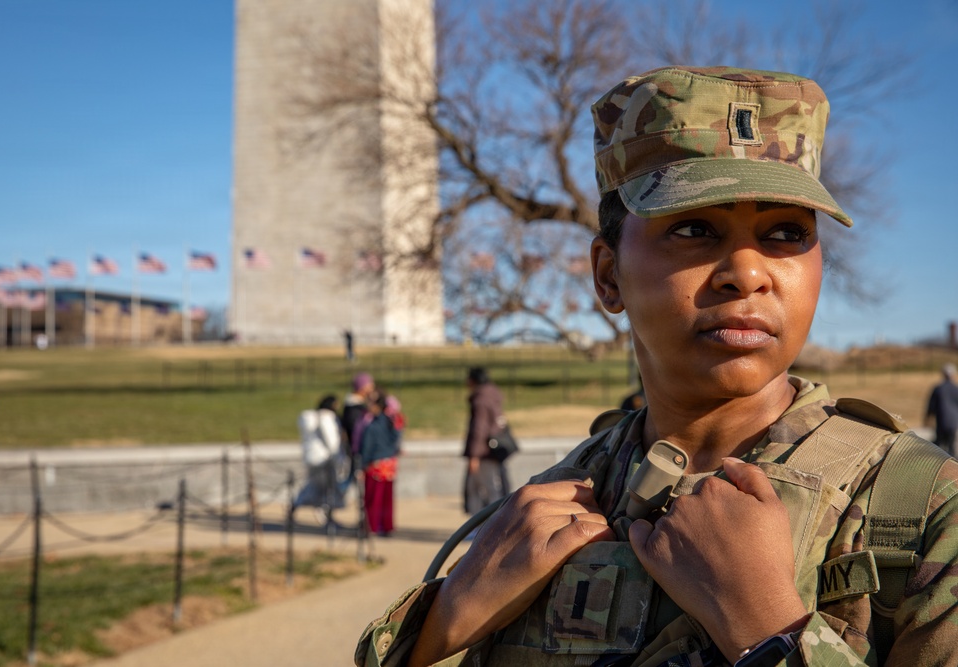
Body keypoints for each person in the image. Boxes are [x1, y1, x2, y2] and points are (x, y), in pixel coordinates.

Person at [356, 67, 958, 666]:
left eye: (784, 232)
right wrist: (437, 628)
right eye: (693, 229)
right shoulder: (552, 504)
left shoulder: (921, 510)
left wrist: (769, 625)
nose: (747, 273)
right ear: (607, 275)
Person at [462, 366, 509, 514]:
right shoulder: (492, 395)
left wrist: (474, 455)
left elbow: (479, 429)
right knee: (493, 487)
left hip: (483, 452)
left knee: (478, 488)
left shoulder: (481, 399)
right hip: (493, 449)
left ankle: (478, 527)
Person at [293, 394, 344, 527]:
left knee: (313, 485)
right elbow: (331, 440)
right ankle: (325, 515)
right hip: (324, 459)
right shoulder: (326, 418)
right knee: (325, 488)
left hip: (311, 457)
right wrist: (337, 456)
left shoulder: (308, 417)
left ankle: (295, 506)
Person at [360, 389, 401, 537]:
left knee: (373, 498)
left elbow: (367, 447)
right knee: (387, 498)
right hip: (389, 465)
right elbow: (396, 439)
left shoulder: (372, 426)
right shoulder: (391, 422)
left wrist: (363, 464)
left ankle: (372, 526)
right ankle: (387, 526)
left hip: (375, 465)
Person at [925, 363, 958, 457]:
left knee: (939, 447)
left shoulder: (938, 389)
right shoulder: (956, 389)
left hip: (942, 421)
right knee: (951, 447)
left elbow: (931, 406)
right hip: (953, 422)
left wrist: (927, 419)